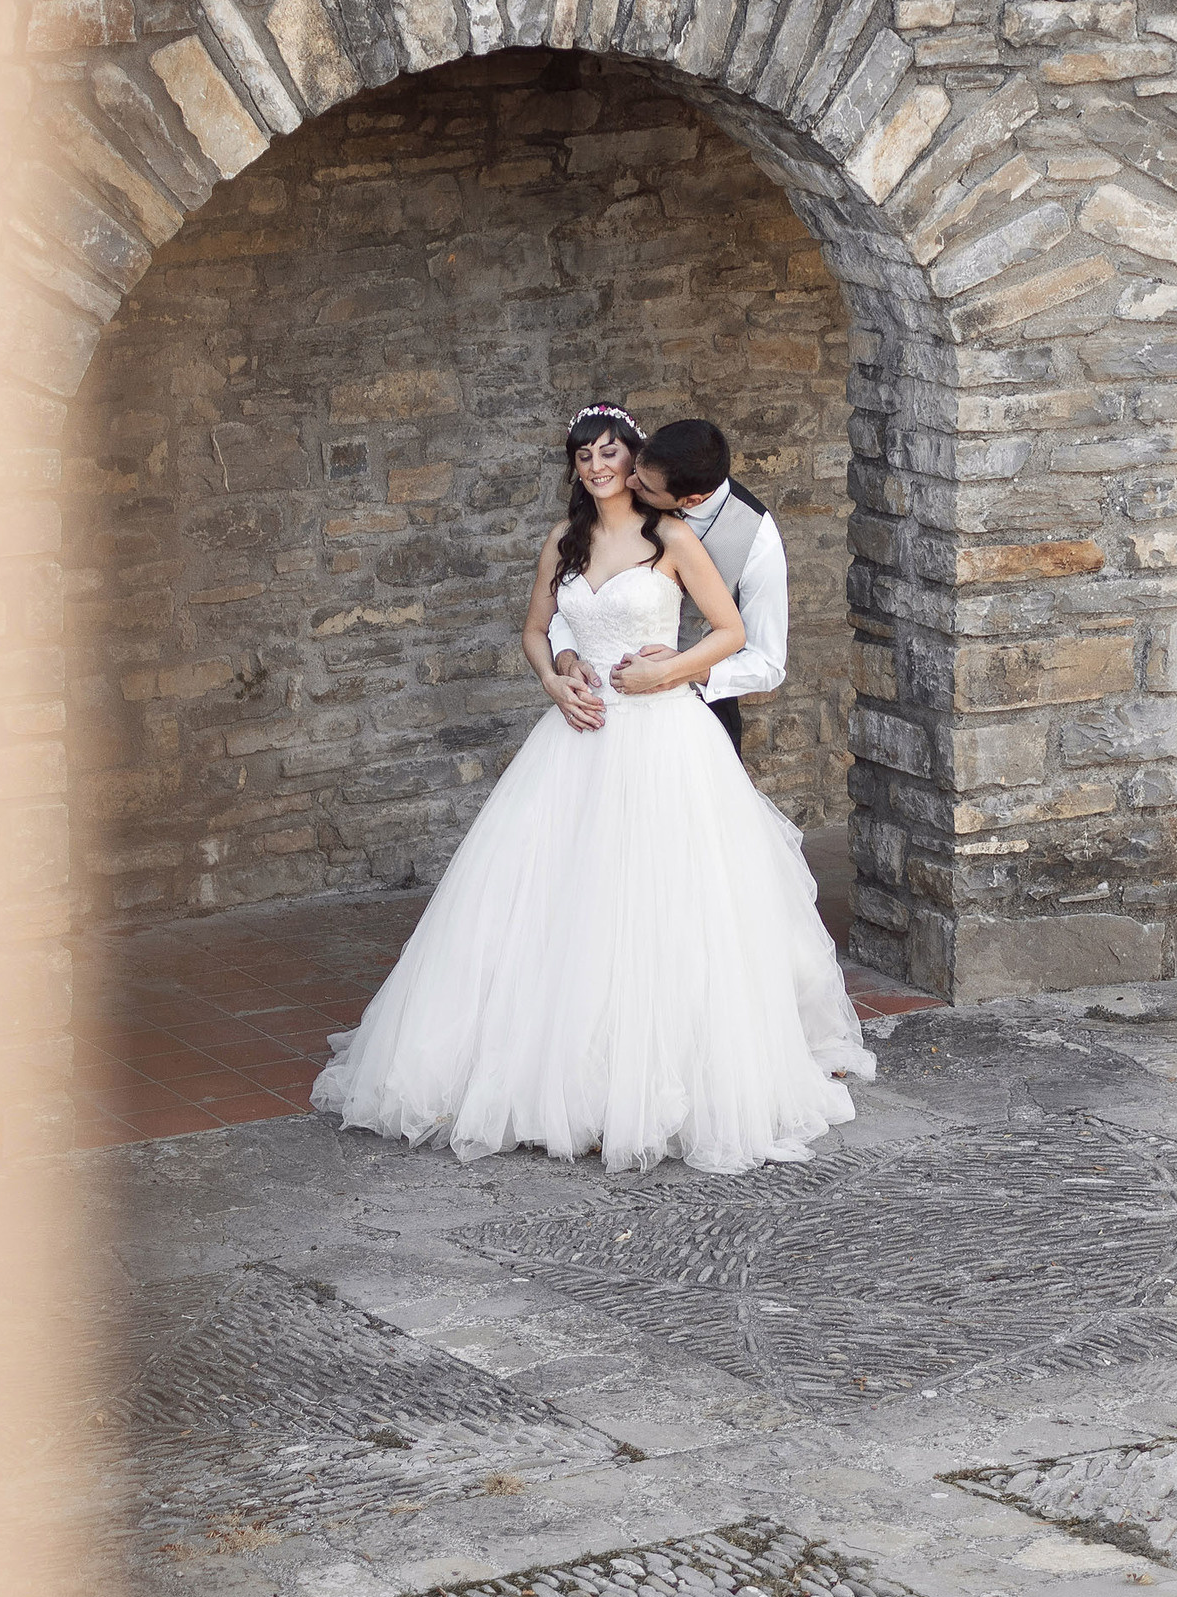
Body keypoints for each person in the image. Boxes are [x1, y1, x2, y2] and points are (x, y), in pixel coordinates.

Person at [310, 404, 875, 1173]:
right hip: (578, 739)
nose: (596, 465)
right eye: (583, 455)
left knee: (662, 904)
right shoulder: (563, 540)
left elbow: (731, 634)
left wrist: (665, 671)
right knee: (562, 902)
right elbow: (536, 629)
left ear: (636, 460)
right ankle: (563, 1079)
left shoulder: (671, 536)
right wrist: (557, 676)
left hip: (663, 738)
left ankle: (658, 1083)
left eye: (610, 453)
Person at [542, 418, 785, 752]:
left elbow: (767, 664)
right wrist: (565, 657)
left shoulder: (753, 536)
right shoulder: (596, 522)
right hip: (597, 717)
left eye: (644, 486)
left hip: (699, 713)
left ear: (689, 501)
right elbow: (577, 604)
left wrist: (676, 672)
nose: (628, 482)